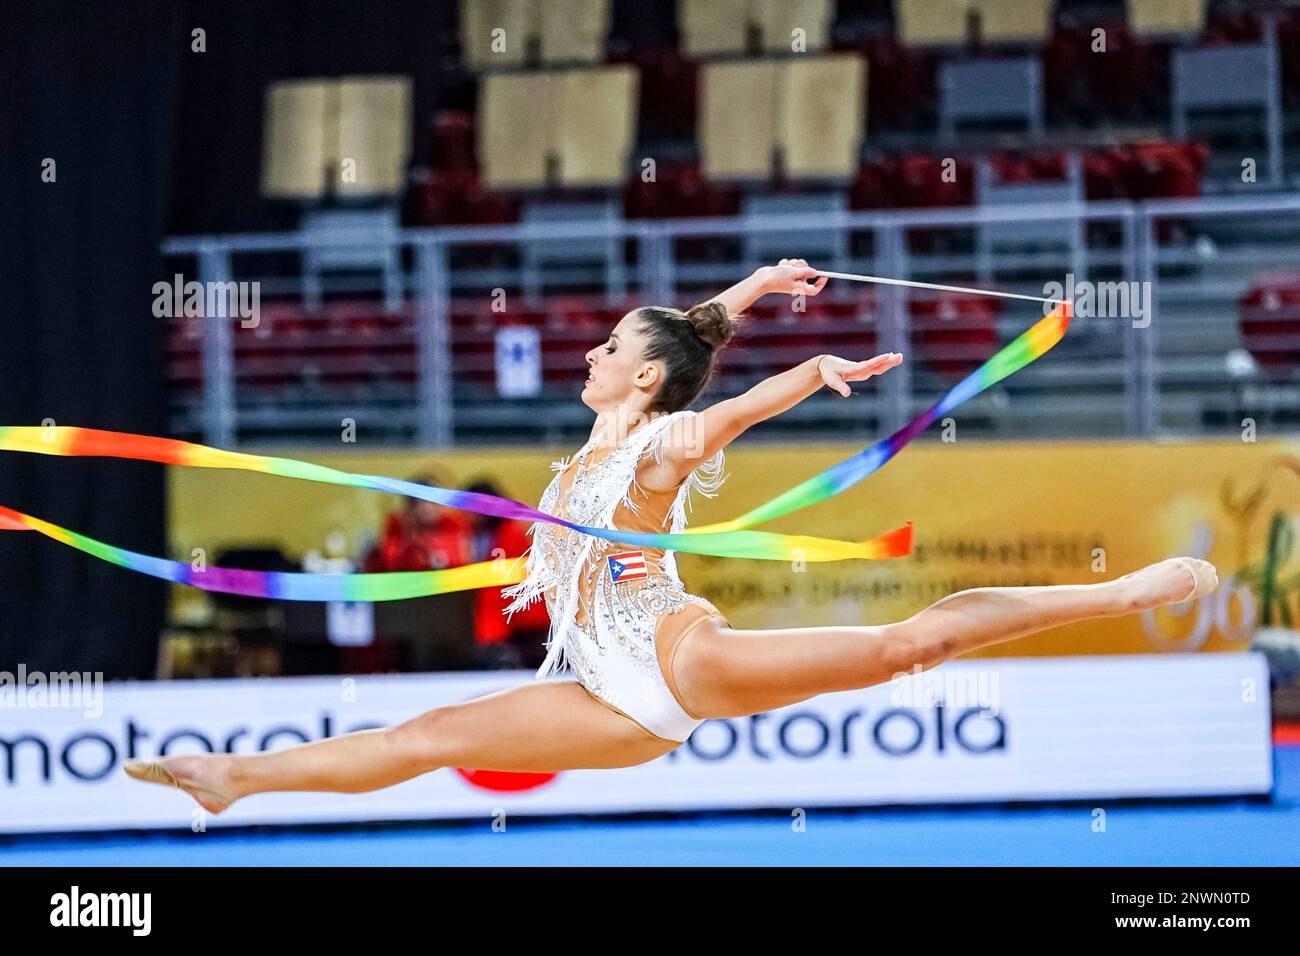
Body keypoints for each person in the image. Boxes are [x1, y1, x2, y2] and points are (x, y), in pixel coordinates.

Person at [124, 259, 1218, 813]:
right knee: (434, 733)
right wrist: (748, 287)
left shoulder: (655, 449)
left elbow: (717, 409)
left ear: (638, 377)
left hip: (670, 656)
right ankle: (237, 777)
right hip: (607, 694)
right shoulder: (607, 435)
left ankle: (1122, 592)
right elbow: (685, 344)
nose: (589, 351)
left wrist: (808, 371)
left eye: (606, 343)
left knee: (906, 645)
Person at [463, 478, 550, 669]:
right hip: (505, 614)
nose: (470, 513)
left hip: (523, 615)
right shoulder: (473, 534)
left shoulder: (511, 534)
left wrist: (491, 635)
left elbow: (498, 586)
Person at [362, 473, 471, 573]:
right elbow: (387, 565)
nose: (428, 508)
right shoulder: (396, 537)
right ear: (409, 507)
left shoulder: (455, 530)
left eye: (433, 502)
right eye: (422, 502)